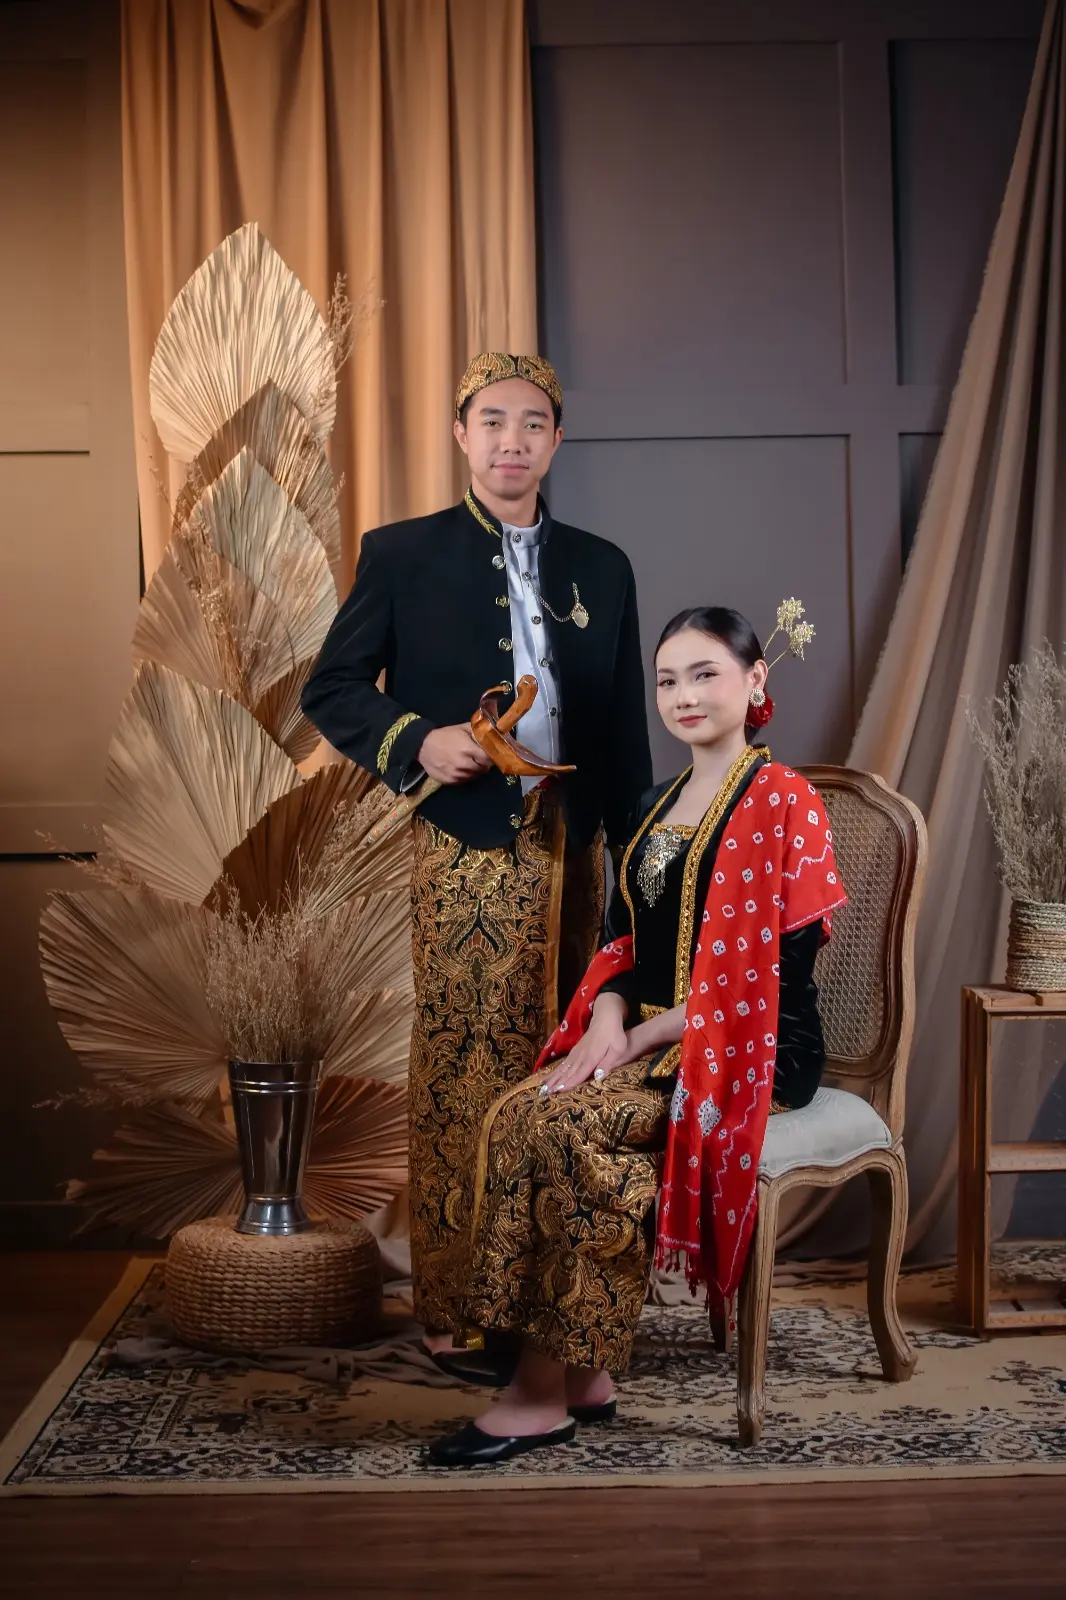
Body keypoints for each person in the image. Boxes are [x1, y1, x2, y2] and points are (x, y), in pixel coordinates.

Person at [427, 603, 846, 1467]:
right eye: (667, 681)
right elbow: (622, 944)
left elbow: (766, 982)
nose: (684, 696)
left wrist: (641, 1039)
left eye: (705, 675)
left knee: (571, 1131)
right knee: (520, 1112)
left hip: (756, 1048)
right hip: (654, 1035)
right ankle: (575, 1371)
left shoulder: (784, 803)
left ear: (755, 680)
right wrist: (610, 1019)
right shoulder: (656, 806)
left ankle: (540, 1389)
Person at [301, 353, 652, 1377]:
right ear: (461, 435)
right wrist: (419, 739)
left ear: (556, 440)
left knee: (569, 1067)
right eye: (492, 421)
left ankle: (551, 1302)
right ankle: (457, 1303)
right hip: (467, 848)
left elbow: (625, 736)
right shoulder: (402, 554)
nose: (511, 441)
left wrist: (636, 869)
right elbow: (331, 688)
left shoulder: (604, 566)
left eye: (532, 423)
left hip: (578, 845)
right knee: (467, 1071)